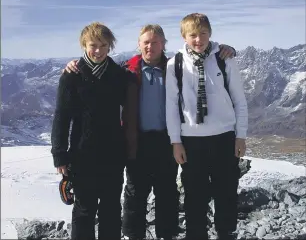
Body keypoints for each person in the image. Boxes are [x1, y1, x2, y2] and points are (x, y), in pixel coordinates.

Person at [64, 24, 236, 240]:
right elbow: (98, 75)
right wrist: (74, 64)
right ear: (138, 44)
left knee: (167, 191)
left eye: (155, 42)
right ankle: (133, 235)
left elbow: (202, 55)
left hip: (168, 139)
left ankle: (167, 234)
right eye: (146, 42)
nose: (150, 46)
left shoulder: (177, 67)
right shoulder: (126, 71)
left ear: (163, 44)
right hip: (137, 140)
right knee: (135, 192)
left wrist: (223, 48)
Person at [165, 13, 248, 240]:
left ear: (210, 33)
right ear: (184, 36)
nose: (198, 39)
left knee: (227, 191)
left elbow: (239, 100)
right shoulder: (176, 64)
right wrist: (176, 142)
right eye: (193, 35)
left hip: (224, 137)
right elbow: (171, 105)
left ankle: (226, 233)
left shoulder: (224, 58)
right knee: (194, 195)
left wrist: (240, 136)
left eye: (203, 33)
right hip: (192, 140)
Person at [51, 22, 132, 240]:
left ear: (110, 46)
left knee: (111, 209)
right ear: (84, 45)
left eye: (103, 45)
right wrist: (59, 154)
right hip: (81, 154)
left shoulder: (118, 75)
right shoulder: (72, 76)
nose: (98, 51)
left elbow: (140, 71)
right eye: (92, 45)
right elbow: (62, 117)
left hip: (113, 154)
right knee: (84, 210)